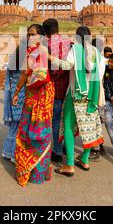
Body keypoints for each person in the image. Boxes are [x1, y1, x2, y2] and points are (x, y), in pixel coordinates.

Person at [48, 26, 106, 177]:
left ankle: (69, 165)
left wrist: (50, 58)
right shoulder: (98, 54)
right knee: (90, 128)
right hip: (92, 97)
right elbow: (100, 77)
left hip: (75, 95)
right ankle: (85, 160)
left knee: (67, 125)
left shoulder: (76, 49)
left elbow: (67, 66)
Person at [12, 24, 55, 187]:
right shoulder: (44, 50)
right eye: (28, 35)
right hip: (43, 91)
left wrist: (16, 92)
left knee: (30, 131)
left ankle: (30, 170)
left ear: (41, 36)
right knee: (42, 131)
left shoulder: (33, 51)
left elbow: (24, 73)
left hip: (39, 93)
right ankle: (40, 173)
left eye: (33, 34)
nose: (30, 37)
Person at [43, 18, 71, 164]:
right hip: (69, 87)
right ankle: (67, 146)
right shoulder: (70, 42)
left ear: (46, 32)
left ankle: (57, 151)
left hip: (53, 87)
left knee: (55, 120)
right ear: (58, 28)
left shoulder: (45, 44)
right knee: (66, 120)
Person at [2, 44, 27, 162]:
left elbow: (9, 78)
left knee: (14, 125)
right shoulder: (26, 60)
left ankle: (7, 152)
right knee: (20, 125)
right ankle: (14, 154)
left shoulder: (14, 60)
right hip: (22, 93)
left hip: (14, 92)